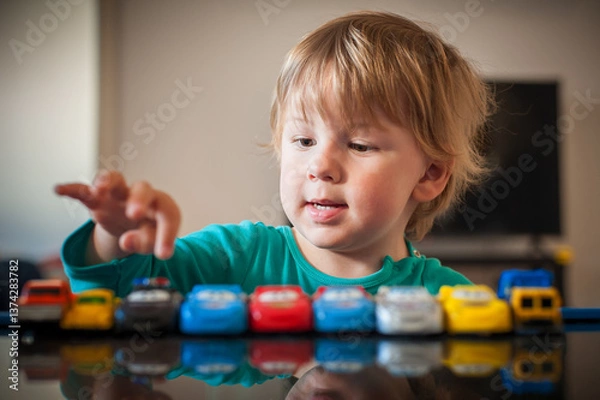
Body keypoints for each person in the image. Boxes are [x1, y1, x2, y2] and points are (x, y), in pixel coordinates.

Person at [55, 11, 492, 298]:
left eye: (359, 145)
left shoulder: (450, 299)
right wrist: (114, 236)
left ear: (430, 173)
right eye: (303, 141)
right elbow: (114, 297)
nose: (320, 166)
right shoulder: (233, 258)